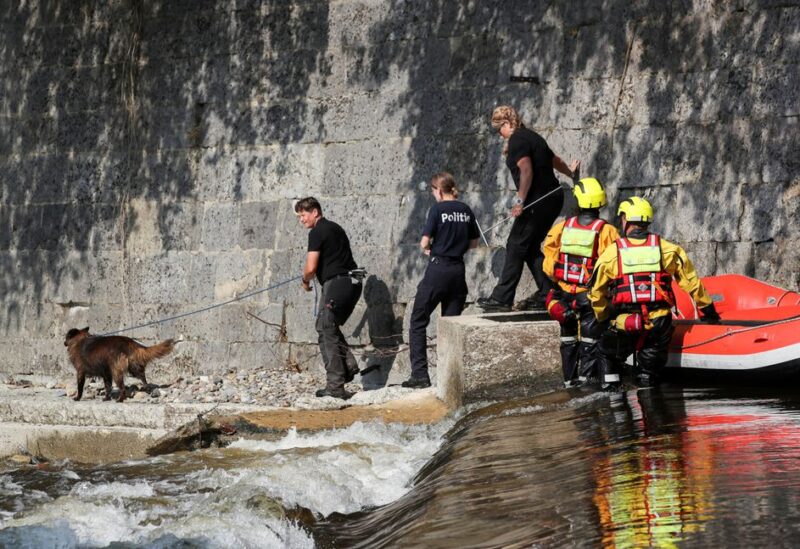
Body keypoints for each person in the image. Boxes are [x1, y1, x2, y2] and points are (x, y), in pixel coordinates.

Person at [589, 196, 720, 389]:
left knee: (605, 352)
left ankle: (613, 398)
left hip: (627, 322)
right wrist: (708, 310)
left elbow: (596, 292)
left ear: (625, 220)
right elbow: (691, 282)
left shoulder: (611, 253)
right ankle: (650, 398)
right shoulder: (668, 249)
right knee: (648, 376)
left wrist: (602, 316)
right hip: (659, 323)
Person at [477, 105, 580, 312]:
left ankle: (502, 298)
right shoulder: (533, 137)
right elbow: (555, 161)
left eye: (499, 129)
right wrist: (570, 172)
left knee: (515, 244)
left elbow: (526, 170)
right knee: (529, 247)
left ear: (506, 124)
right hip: (553, 198)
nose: (500, 134)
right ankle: (548, 293)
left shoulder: (517, 140)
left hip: (536, 201)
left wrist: (519, 201)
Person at [403, 172, 480, 388]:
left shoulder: (437, 209)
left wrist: (431, 248)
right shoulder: (466, 210)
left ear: (438, 190)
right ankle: (450, 378)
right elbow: (473, 244)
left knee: (418, 320)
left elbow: (424, 242)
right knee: (451, 324)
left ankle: (419, 375)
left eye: (433, 191)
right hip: (458, 271)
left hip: (438, 270)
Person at [542, 178, 620, 387]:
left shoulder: (562, 228)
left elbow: (549, 264)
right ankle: (588, 384)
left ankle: (569, 382)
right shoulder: (607, 231)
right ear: (601, 202)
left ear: (578, 200)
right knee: (591, 341)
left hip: (565, 294)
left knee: (567, 341)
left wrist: (561, 280)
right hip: (590, 296)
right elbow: (613, 266)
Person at [296, 197, 364, 400]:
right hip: (352, 282)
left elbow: (310, 268)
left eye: (303, 215)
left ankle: (335, 386)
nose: (302, 220)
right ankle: (348, 367)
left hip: (337, 283)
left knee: (326, 327)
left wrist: (305, 281)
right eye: (299, 216)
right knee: (325, 325)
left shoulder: (317, 232)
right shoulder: (335, 228)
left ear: (315, 212)